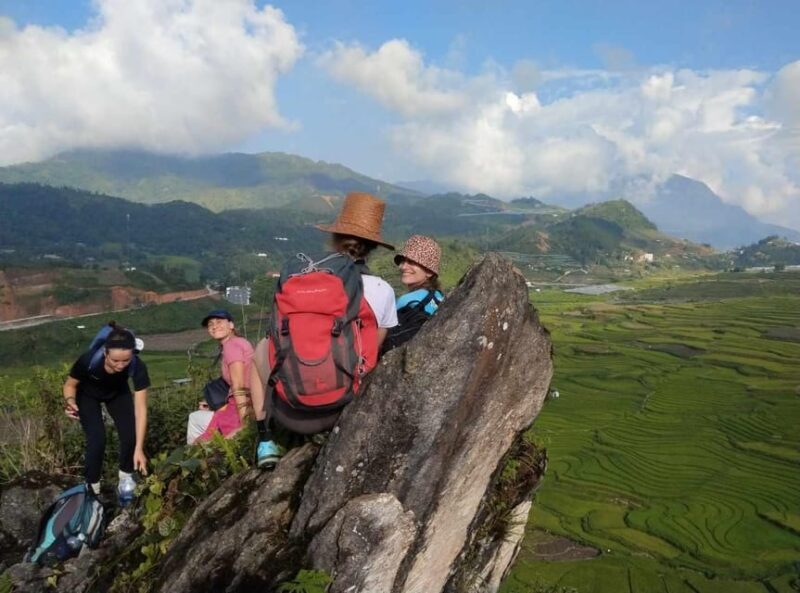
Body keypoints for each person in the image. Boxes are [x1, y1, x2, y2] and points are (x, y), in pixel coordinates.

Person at [251, 191, 397, 468]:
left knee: (260, 348)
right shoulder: (382, 290)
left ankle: (265, 440)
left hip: (291, 405)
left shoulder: (300, 279)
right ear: (373, 247)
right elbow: (372, 349)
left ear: (334, 238)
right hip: (346, 399)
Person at [63, 324, 149, 501]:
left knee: (130, 435)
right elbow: (70, 385)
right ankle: (92, 487)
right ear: (105, 353)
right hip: (87, 395)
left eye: (125, 360)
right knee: (97, 439)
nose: (120, 365)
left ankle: (126, 479)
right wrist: (70, 402)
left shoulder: (137, 366)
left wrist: (139, 448)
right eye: (115, 361)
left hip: (117, 392)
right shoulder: (88, 360)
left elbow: (141, 408)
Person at [186, 310, 254, 444]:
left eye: (219, 322)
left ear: (231, 325)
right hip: (248, 401)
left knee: (197, 432)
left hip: (243, 405)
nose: (214, 326)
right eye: (210, 324)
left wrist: (244, 423)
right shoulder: (239, 342)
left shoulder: (232, 346)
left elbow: (239, 385)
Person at [381, 235, 444, 355]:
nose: (403, 266)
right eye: (403, 261)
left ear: (429, 272)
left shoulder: (407, 301)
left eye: (412, 262)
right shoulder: (439, 297)